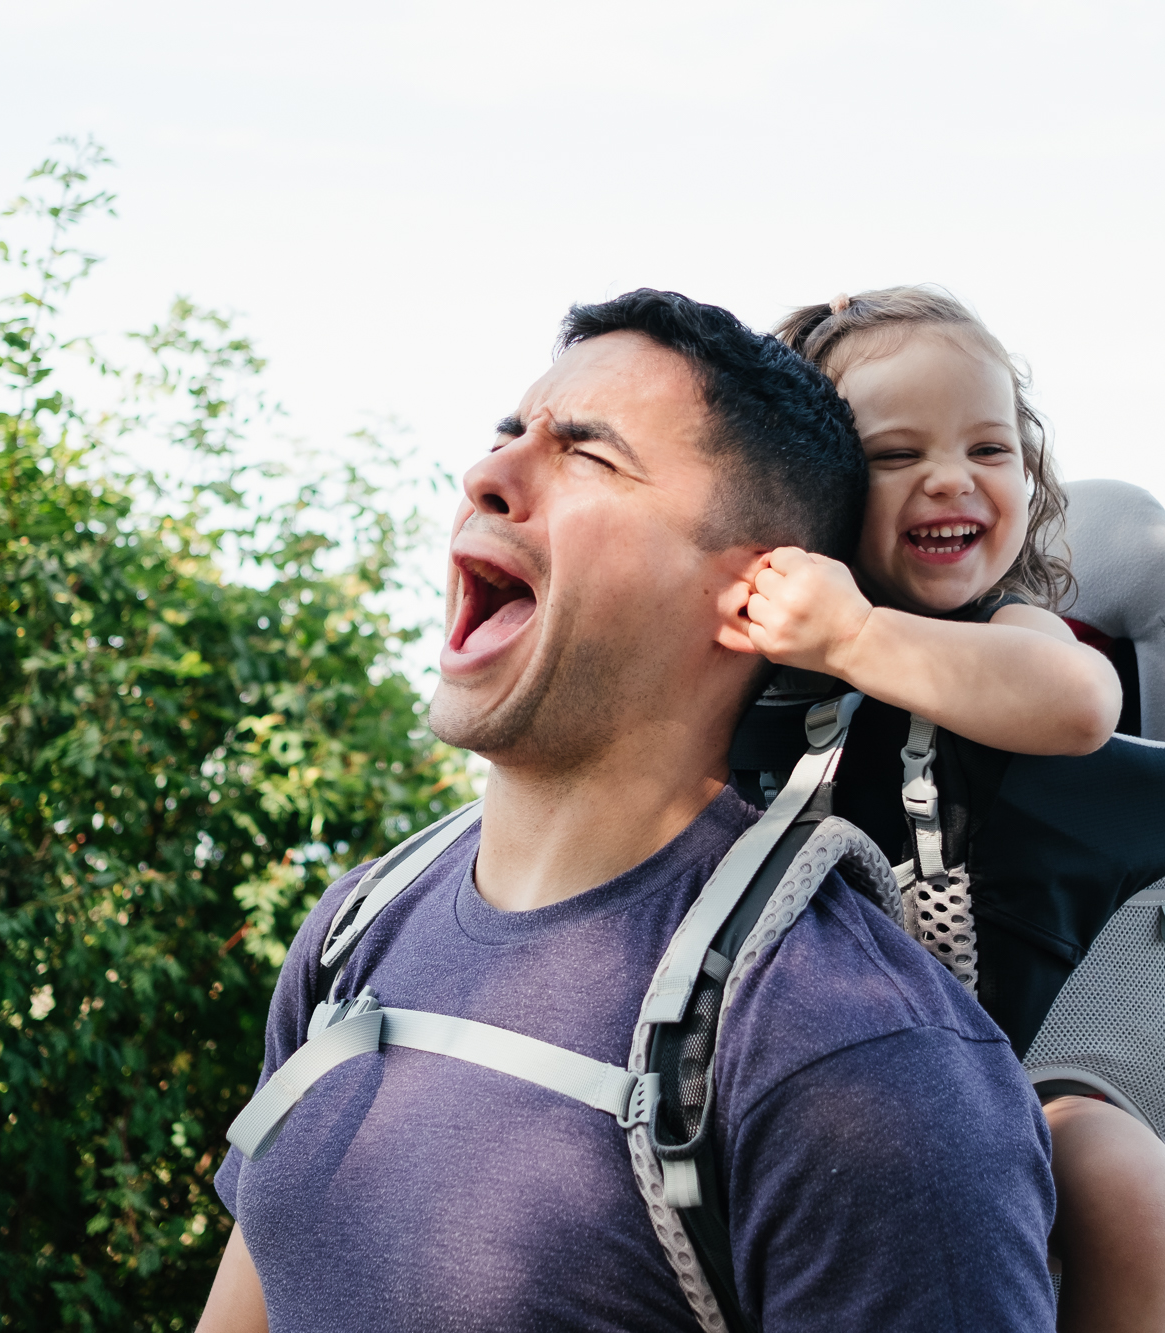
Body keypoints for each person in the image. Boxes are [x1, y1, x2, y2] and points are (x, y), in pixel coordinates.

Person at [197, 290, 1061, 1332]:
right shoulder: (357, 930)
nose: (487, 477)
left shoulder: (859, 1065)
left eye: (587, 456)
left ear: (756, 591)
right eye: (508, 434)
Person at [748, 285, 1165, 1332]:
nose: (950, 478)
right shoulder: (747, 644)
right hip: (758, 1067)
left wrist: (853, 639)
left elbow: (1077, 703)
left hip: (983, 1079)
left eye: (989, 450)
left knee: (1123, 1174)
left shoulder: (1016, 632)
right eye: (895, 454)